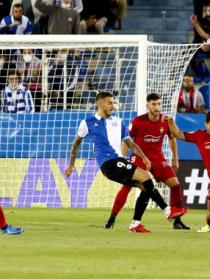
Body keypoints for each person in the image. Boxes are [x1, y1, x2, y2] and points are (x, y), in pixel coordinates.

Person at [66, 92, 188, 233]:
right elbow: (76, 144)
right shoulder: (87, 123)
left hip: (118, 161)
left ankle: (135, 224)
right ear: (100, 104)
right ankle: (168, 211)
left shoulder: (118, 122)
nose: (113, 105)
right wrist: (71, 165)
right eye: (109, 103)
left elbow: (130, 143)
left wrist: (144, 157)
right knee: (147, 178)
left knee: (146, 187)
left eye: (113, 102)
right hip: (109, 163)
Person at [105, 93, 189, 231]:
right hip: (139, 158)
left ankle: (177, 221)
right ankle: (111, 220)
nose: (157, 107)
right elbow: (128, 140)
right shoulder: (138, 121)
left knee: (175, 185)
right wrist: (121, 156)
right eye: (154, 104)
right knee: (128, 187)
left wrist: (175, 158)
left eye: (159, 104)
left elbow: (172, 137)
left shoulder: (166, 120)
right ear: (147, 105)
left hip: (158, 158)